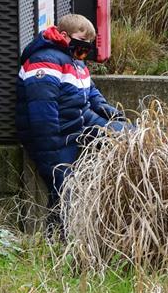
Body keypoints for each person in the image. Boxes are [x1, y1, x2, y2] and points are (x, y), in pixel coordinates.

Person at [16, 14, 123, 206]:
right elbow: (43, 111)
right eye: (82, 40)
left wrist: (110, 112)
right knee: (65, 191)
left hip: (81, 121)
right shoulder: (45, 60)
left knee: (129, 136)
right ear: (64, 36)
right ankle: (57, 235)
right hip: (58, 134)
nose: (86, 46)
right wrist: (50, 149)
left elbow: (91, 91)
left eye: (89, 42)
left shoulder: (75, 60)